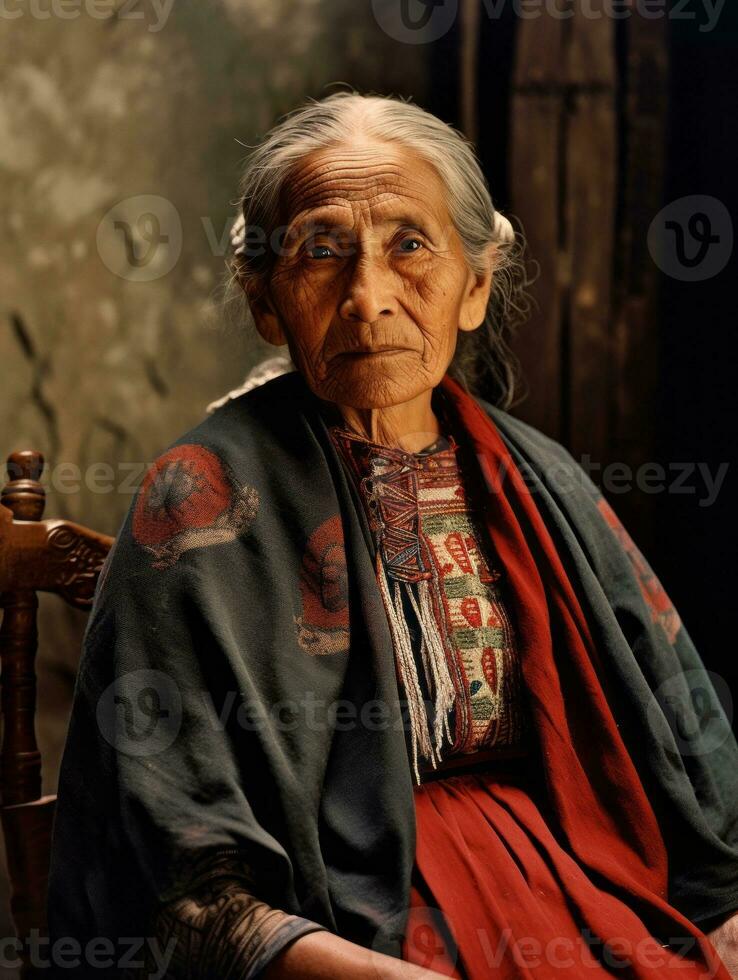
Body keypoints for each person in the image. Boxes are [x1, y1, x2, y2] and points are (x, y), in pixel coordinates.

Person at [47, 92, 738, 979]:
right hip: (343, 938)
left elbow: (694, 777)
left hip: (574, 889)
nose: (369, 298)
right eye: (321, 252)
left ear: (476, 286)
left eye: (410, 245)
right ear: (265, 300)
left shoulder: (541, 480)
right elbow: (182, 883)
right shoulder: (201, 502)